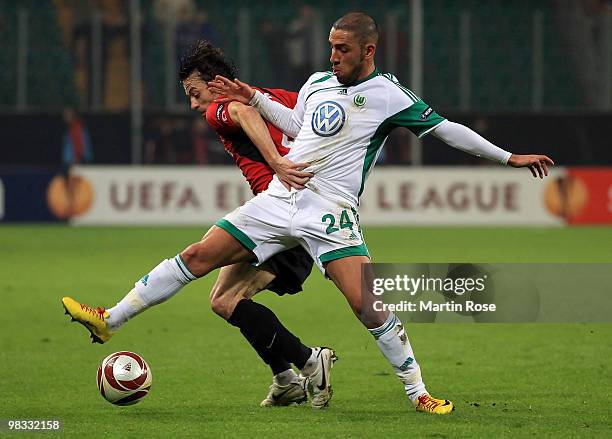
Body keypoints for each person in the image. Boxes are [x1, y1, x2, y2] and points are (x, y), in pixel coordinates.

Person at [63, 12, 553, 415]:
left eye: (342, 49)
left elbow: (447, 130)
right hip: (280, 199)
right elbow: (297, 124)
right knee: (197, 256)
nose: (333, 56)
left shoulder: (389, 96)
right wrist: (253, 96)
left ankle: (418, 391)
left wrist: (508, 157)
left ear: (368, 51)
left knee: (367, 306)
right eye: (331, 47)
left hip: (330, 210)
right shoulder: (318, 82)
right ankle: (111, 318)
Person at [62, 40, 336, 409]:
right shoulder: (279, 97)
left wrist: (277, 162)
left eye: (194, 93)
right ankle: (288, 377)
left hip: (282, 212)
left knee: (196, 259)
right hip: (303, 215)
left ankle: (111, 319)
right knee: (225, 300)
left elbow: (241, 113)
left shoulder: (222, 106)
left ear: (216, 81)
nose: (193, 104)